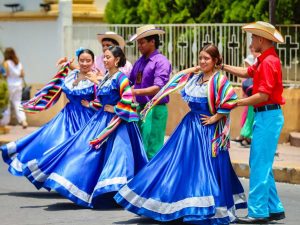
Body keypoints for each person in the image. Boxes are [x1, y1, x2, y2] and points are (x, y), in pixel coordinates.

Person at [114, 44, 247, 224]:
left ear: (215, 60)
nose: (202, 61)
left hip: (207, 130)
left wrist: (215, 118)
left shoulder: (219, 80)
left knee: (205, 169)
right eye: (200, 58)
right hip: (189, 127)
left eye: (207, 58)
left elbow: (230, 100)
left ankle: (207, 208)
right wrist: (196, 68)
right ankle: (178, 205)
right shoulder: (196, 78)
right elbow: (177, 78)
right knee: (177, 165)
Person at [23, 46, 148, 208]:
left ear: (117, 60)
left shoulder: (121, 78)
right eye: (104, 57)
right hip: (101, 121)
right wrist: (92, 104)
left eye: (108, 57)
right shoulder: (106, 78)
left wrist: (115, 109)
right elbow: (101, 99)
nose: (104, 60)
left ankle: (119, 193)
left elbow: (129, 99)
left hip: (118, 125)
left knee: (118, 159)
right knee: (83, 151)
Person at [221, 21, 286, 223]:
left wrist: (237, 102)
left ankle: (257, 212)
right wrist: (222, 66)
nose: (251, 41)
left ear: (260, 39)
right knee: (262, 163)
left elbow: (263, 95)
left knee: (258, 164)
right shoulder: (265, 59)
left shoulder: (268, 62)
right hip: (266, 116)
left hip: (268, 115)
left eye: (252, 37)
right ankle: (274, 208)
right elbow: (246, 72)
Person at [1, 48, 98, 176]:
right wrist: (67, 65)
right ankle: (57, 175)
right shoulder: (71, 75)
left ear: (93, 61)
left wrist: (91, 103)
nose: (85, 63)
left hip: (87, 118)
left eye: (88, 61)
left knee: (80, 149)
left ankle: (75, 178)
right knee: (50, 141)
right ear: (78, 61)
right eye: (82, 60)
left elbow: (104, 95)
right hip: (67, 117)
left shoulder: (97, 76)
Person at [129, 24, 172, 159]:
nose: (139, 46)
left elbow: (158, 88)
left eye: (142, 42)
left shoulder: (161, 62)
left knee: (152, 148)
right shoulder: (139, 62)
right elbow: (130, 82)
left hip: (155, 109)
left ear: (152, 42)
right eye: (138, 43)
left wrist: (135, 92)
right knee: (139, 146)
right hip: (140, 109)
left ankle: (153, 178)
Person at [58, 31, 132, 77]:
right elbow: (83, 69)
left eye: (108, 45)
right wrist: (68, 64)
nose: (105, 48)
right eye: (103, 45)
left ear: (116, 47)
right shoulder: (97, 60)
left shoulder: (127, 65)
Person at [233, 45, 259, 147]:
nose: (252, 49)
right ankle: (246, 137)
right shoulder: (253, 59)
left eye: (253, 47)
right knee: (248, 116)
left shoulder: (262, 60)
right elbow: (247, 72)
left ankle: (248, 137)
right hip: (251, 92)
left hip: (255, 94)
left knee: (251, 116)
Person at [2, 48, 28, 128]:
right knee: (18, 103)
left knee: (7, 104)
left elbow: (5, 74)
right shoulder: (18, 63)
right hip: (18, 85)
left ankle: (4, 122)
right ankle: (23, 121)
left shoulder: (6, 63)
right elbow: (22, 74)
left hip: (9, 85)